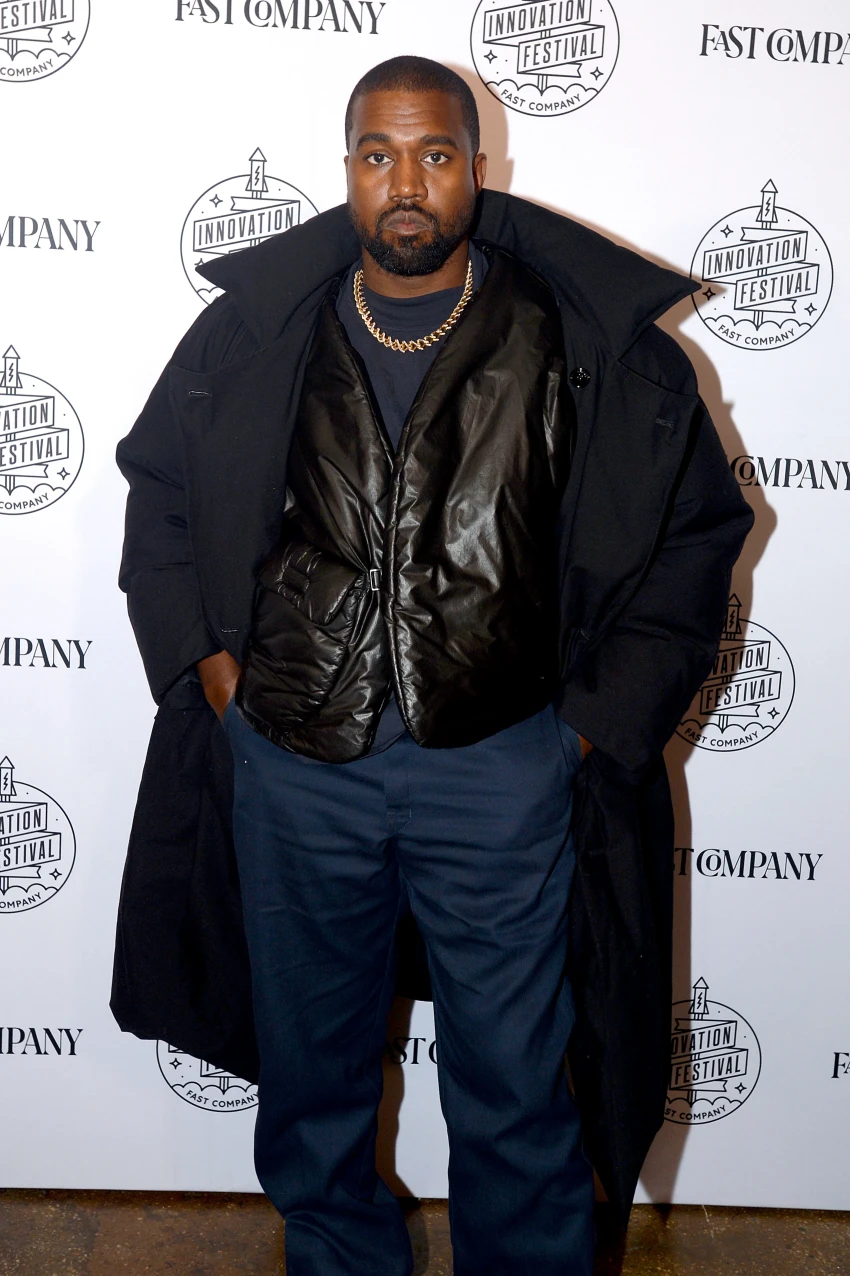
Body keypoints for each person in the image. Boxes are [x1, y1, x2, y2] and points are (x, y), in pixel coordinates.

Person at [112, 56, 753, 1276]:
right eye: (378, 155)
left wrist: (582, 728)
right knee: (313, 1083)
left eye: (434, 155)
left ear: (478, 168)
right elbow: (163, 495)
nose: (405, 183)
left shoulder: (586, 337)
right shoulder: (256, 330)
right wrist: (212, 671)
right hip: (295, 762)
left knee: (518, 1083)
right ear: (348, 170)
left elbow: (691, 539)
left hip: (504, 764)